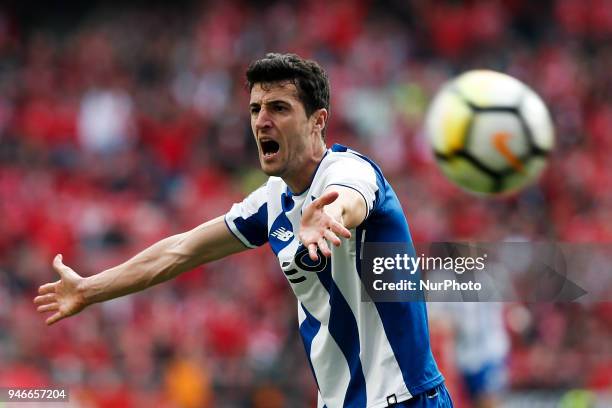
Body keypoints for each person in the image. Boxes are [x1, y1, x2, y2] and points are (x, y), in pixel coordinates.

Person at [35, 53, 453, 408]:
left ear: (317, 121)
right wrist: (90, 290)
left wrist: (328, 218)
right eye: (256, 110)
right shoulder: (271, 202)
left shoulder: (349, 171)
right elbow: (180, 251)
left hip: (405, 398)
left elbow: (349, 201)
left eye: (279, 108)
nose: (262, 121)